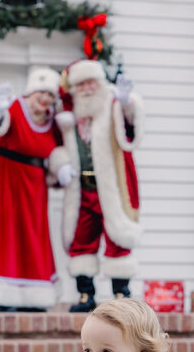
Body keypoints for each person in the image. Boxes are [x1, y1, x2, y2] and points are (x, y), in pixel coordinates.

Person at [0, 67, 75, 310]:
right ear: (30, 92)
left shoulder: (52, 121)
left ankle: (35, 296)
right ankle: (5, 296)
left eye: (50, 95)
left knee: (34, 236)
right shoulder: (13, 107)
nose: (44, 99)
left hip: (33, 185)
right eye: (41, 93)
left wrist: (62, 165)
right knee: (4, 234)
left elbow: (57, 149)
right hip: (3, 178)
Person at [50, 59, 144, 313]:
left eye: (91, 83)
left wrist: (127, 104)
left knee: (118, 236)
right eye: (81, 85)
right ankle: (85, 295)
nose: (87, 89)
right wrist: (60, 164)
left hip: (111, 187)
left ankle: (121, 294)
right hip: (83, 189)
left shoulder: (113, 104)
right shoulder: (67, 116)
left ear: (100, 83)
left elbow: (130, 129)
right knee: (82, 240)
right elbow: (55, 146)